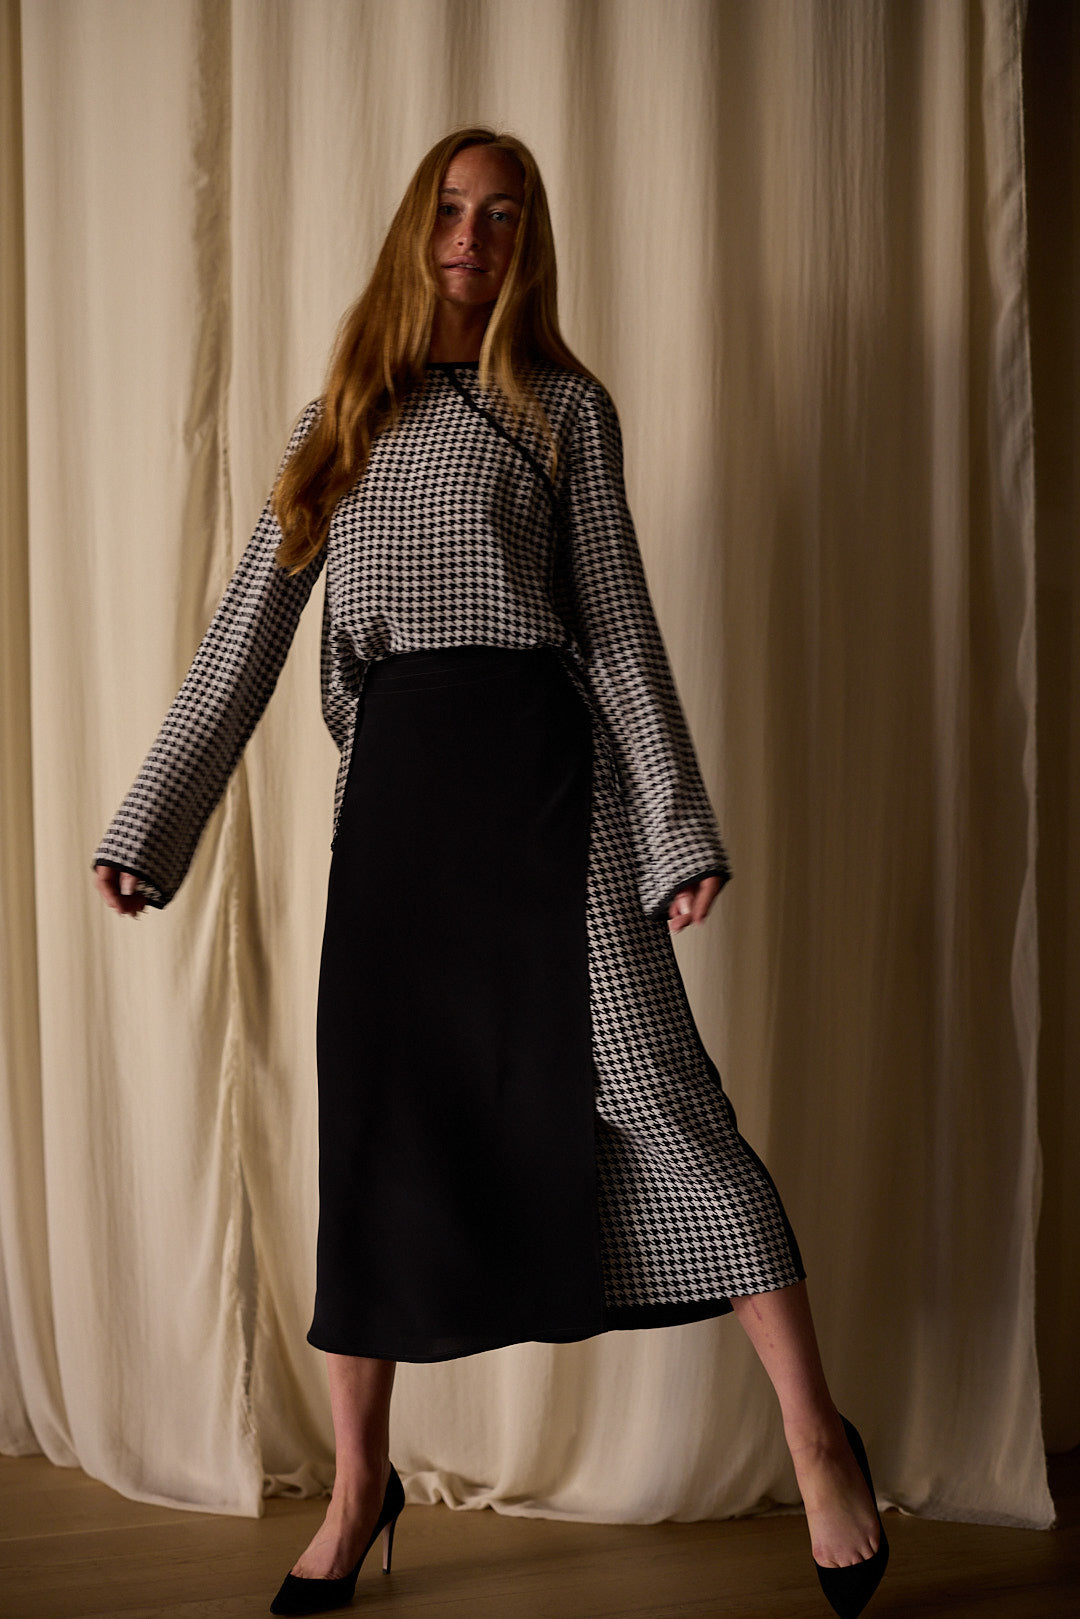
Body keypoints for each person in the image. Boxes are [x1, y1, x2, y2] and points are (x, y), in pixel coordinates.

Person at [92, 127, 888, 1619]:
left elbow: (626, 629)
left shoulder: (563, 413)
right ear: (416, 230)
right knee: (374, 1136)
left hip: (550, 788)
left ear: (527, 245)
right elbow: (242, 641)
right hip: (398, 808)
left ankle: (819, 1440)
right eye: (451, 212)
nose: (471, 238)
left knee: (664, 1096)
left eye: (501, 217)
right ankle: (356, 1492)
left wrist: (675, 829)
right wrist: (153, 826)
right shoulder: (340, 416)